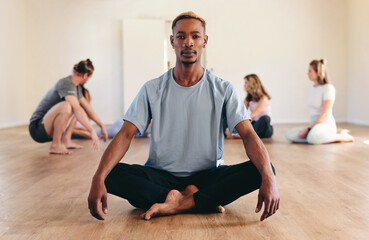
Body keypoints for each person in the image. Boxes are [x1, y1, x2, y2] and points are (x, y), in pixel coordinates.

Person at [88, 11, 279, 222]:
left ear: (204, 41)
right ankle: (198, 200)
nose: (188, 42)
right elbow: (125, 135)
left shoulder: (223, 89)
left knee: (264, 169)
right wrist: (98, 178)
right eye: (181, 36)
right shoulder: (152, 88)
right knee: (110, 173)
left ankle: (177, 202)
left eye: (195, 36)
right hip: (161, 177)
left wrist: (268, 177)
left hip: (207, 176)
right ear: (172, 41)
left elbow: (249, 135)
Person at [29, 59, 108, 154]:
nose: (87, 80)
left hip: (47, 127)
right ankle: (55, 145)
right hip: (38, 128)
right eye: (89, 78)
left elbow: (88, 108)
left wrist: (102, 126)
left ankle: (67, 140)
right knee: (67, 106)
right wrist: (91, 130)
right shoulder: (66, 83)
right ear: (85, 75)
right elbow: (76, 109)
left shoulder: (77, 87)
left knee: (78, 108)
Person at [285, 59, 354, 144]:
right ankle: (318, 136)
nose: (308, 73)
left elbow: (325, 113)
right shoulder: (313, 88)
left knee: (312, 138)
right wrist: (309, 128)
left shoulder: (328, 88)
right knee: (289, 135)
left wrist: (309, 129)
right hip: (314, 125)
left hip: (325, 124)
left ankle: (341, 136)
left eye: (310, 71)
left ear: (318, 73)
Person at [225, 74, 273, 139]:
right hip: (254, 124)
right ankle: (231, 133)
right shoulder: (248, 99)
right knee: (227, 118)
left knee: (265, 118)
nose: (244, 85)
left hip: (265, 127)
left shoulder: (264, 98)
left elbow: (253, 114)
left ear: (252, 84)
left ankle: (238, 135)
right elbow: (241, 114)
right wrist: (233, 125)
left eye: (246, 82)